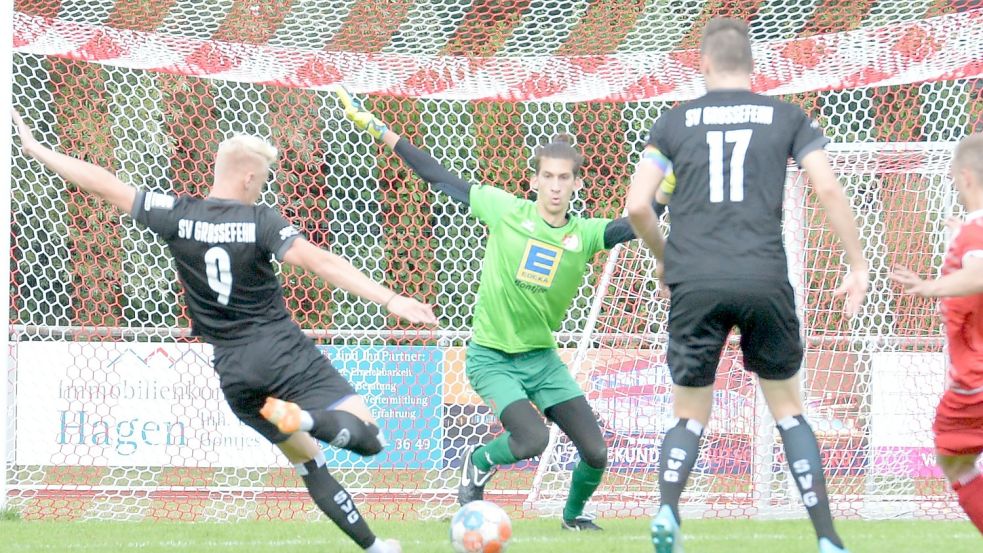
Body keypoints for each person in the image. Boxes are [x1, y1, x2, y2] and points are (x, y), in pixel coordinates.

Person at [12, 110, 438, 553]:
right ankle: (307, 419)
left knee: (311, 466)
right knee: (370, 439)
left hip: (234, 373)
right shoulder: (261, 220)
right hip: (282, 353)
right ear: (249, 176)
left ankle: (374, 548)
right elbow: (319, 262)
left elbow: (104, 184)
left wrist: (39, 150)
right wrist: (390, 299)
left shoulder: (177, 214)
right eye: (265, 176)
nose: (264, 184)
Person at [333, 86, 669, 530]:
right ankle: (477, 460)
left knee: (596, 452)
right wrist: (378, 129)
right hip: (492, 358)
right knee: (532, 439)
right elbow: (437, 175)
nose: (554, 185)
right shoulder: (504, 209)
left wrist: (671, 181)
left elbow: (633, 224)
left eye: (563, 177)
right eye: (547, 176)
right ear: (533, 181)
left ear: (576, 184)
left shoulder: (585, 234)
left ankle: (573, 519)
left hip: (543, 360)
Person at [625, 17, 869, 553]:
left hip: (696, 280)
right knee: (788, 409)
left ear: (704, 64)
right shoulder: (787, 117)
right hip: (763, 275)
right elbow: (826, 185)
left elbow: (638, 205)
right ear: (753, 67)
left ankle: (667, 508)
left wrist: (666, 261)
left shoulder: (674, 122)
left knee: (689, 413)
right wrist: (857, 263)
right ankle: (827, 538)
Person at [889, 133, 983, 536]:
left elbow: (979, 272)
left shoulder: (974, 234)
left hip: (976, 383)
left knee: (954, 455)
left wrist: (930, 286)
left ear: (965, 177)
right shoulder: (972, 231)